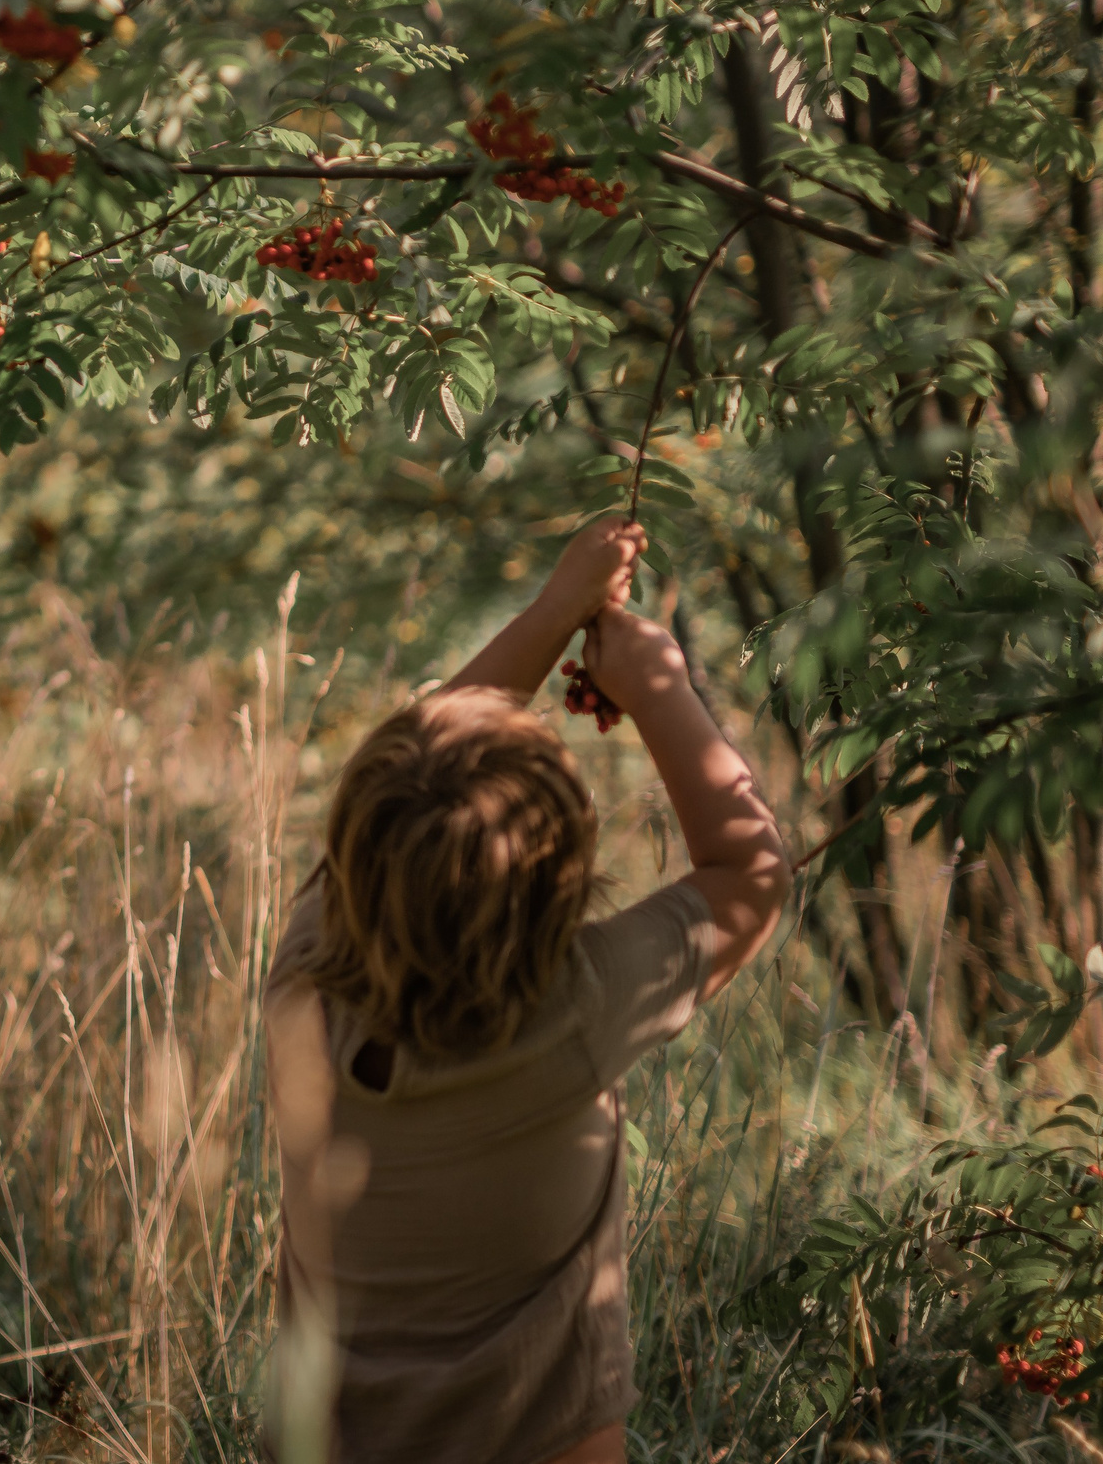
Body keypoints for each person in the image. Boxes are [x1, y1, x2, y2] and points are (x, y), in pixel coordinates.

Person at [264, 518, 789, 1464]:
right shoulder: (578, 1010)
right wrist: (658, 684)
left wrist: (554, 611)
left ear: (352, 853)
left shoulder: (304, 986)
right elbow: (751, 871)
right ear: (561, 890)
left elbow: (405, 778)